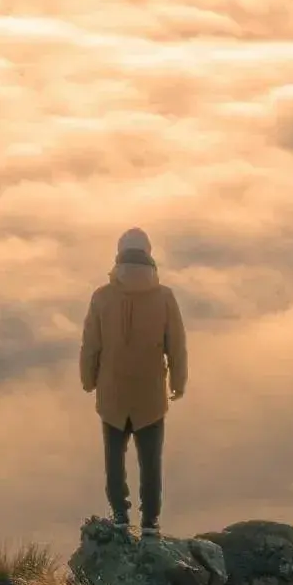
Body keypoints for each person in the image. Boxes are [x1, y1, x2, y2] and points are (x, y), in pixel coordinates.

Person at [80, 227, 188, 536]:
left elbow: (91, 344)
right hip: (150, 394)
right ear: (148, 254)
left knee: (114, 460)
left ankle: (120, 515)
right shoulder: (165, 297)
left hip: (112, 393)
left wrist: (88, 379)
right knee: (150, 461)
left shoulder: (101, 297)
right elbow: (176, 345)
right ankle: (151, 522)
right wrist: (178, 382)